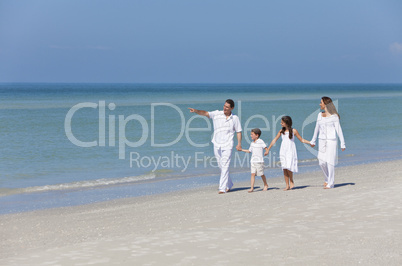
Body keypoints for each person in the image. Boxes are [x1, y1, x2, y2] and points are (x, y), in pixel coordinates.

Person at [188, 99, 242, 194]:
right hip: (216, 144)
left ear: (232, 108)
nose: (224, 108)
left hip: (228, 145)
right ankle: (229, 184)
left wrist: (239, 144)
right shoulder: (217, 114)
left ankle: (222, 188)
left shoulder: (235, 118)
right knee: (221, 166)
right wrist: (196, 111)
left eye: (227, 107)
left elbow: (238, 131)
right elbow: (205, 113)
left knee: (225, 166)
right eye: (224, 106)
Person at [310, 96, 346, 189]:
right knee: (321, 162)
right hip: (321, 140)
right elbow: (316, 128)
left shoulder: (334, 117)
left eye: (321, 102)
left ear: (325, 104)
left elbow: (339, 130)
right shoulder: (319, 115)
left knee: (330, 162)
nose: (319, 104)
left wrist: (343, 143)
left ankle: (331, 183)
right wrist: (313, 140)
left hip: (331, 141)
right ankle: (327, 179)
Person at [266, 116, 310, 191]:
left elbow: (301, 140)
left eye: (282, 122)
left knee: (289, 166)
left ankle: (291, 181)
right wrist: (268, 149)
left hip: (290, 150)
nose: (281, 123)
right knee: (284, 167)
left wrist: (310, 142)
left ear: (287, 123)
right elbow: (274, 140)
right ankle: (287, 185)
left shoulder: (294, 131)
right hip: (283, 151)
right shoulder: (281, 131)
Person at [240, 128, 269, 193]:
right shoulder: (252, 143)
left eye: (252, 134)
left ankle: (266, 184)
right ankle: (252, 188)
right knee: (252, 174)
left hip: (259, 161)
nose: (251, 136)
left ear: (257, 135)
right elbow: (249, 151)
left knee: (261, 174)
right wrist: (241, 150)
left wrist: (267, 152)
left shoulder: (261, 141)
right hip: (252, 161)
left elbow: (266, 148)